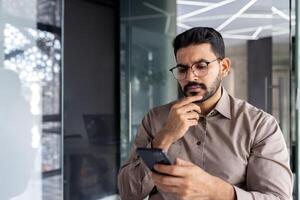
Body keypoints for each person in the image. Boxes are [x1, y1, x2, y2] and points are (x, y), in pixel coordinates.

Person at [118, 27, 293, 200]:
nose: (191, 77)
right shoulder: (155, 119)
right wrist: (165, 137)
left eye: (201, 66)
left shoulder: (259, 126)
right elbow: (128, 193)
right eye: (183, 69)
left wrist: (215, 190)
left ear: (223, 67)